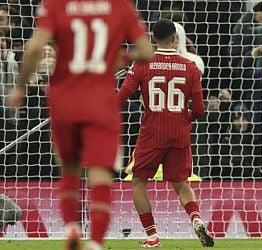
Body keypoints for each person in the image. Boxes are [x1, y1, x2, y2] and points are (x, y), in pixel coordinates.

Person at [9, 0, 153, 249]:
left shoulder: (55, 4)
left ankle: (72, 228)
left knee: (70, 168)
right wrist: (121, 56)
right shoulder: (120, 6)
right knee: (100, 174)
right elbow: (146, 52)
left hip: (64, 99)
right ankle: (95, 242)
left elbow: (34, 48)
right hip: (101, 102)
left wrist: (20, 86)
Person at [117, 19, 213, 248]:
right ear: (175, 39)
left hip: (152, 132)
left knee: (139, 183)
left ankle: (152, 236)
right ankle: (197, 219)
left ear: (152, 39)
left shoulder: (142, 64)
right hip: (179, 133)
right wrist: (182, 118)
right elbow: (199, 110)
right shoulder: (191, 67)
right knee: (181, 184)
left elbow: (121, 98)